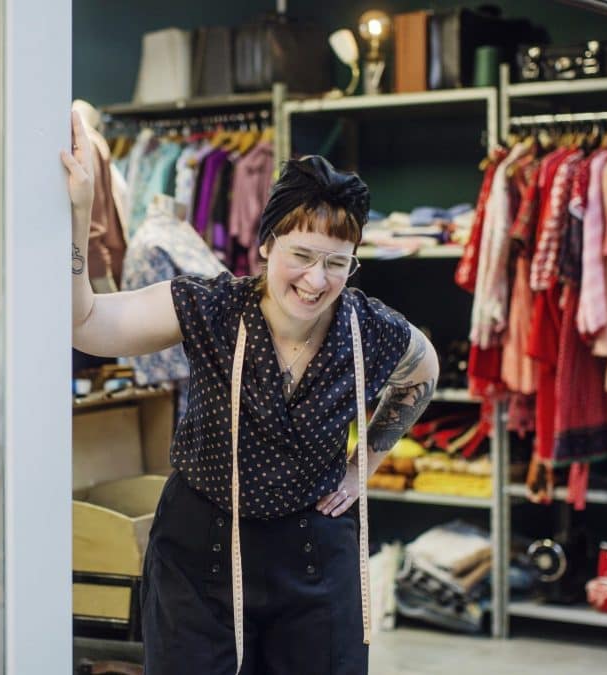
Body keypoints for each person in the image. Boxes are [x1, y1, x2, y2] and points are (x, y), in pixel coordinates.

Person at [63, 108, 438, 675]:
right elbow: (86, 323)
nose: (316, 281)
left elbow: (423, 370)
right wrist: (79, 215)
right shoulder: (211, 307)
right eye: (303, 256)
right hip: (201, 557)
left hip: (314, 559)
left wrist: (368, 460)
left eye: (337, 264)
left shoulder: (367, 328)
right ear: (266, 245)